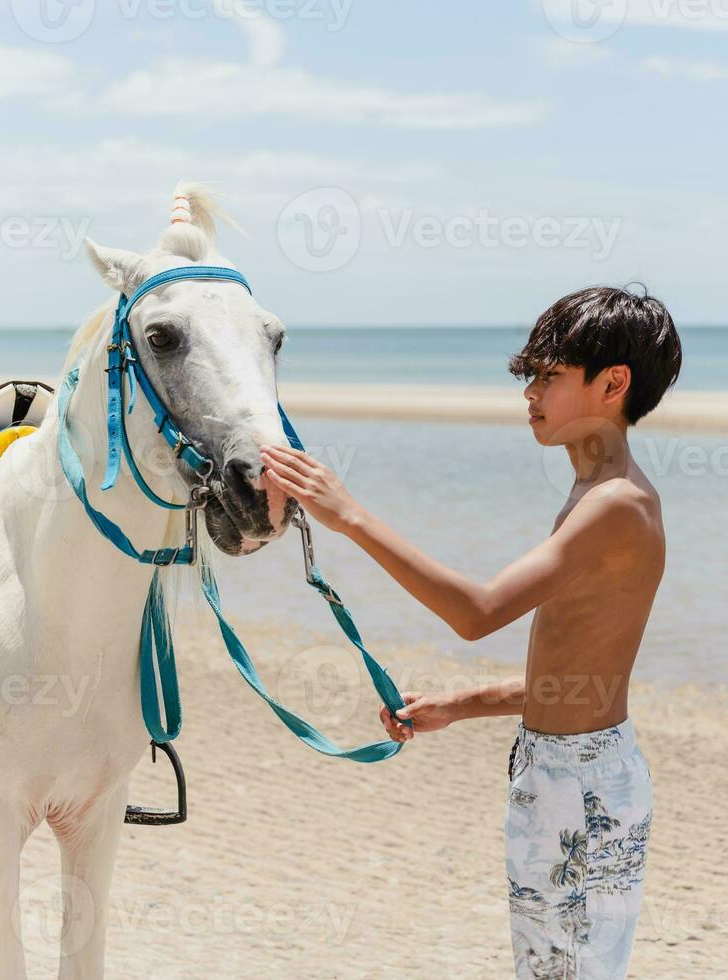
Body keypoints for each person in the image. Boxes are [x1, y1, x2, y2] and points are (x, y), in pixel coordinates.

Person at [260, 284, 682, 978]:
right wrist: (463, 705)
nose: (530, 394)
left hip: (582, 787)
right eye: (532, 377)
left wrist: (350, 516)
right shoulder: (595, 496)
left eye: (551, 376)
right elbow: (587, 673)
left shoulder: (617, 506)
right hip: (561, 771)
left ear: (613, 383)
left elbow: (478, 613)